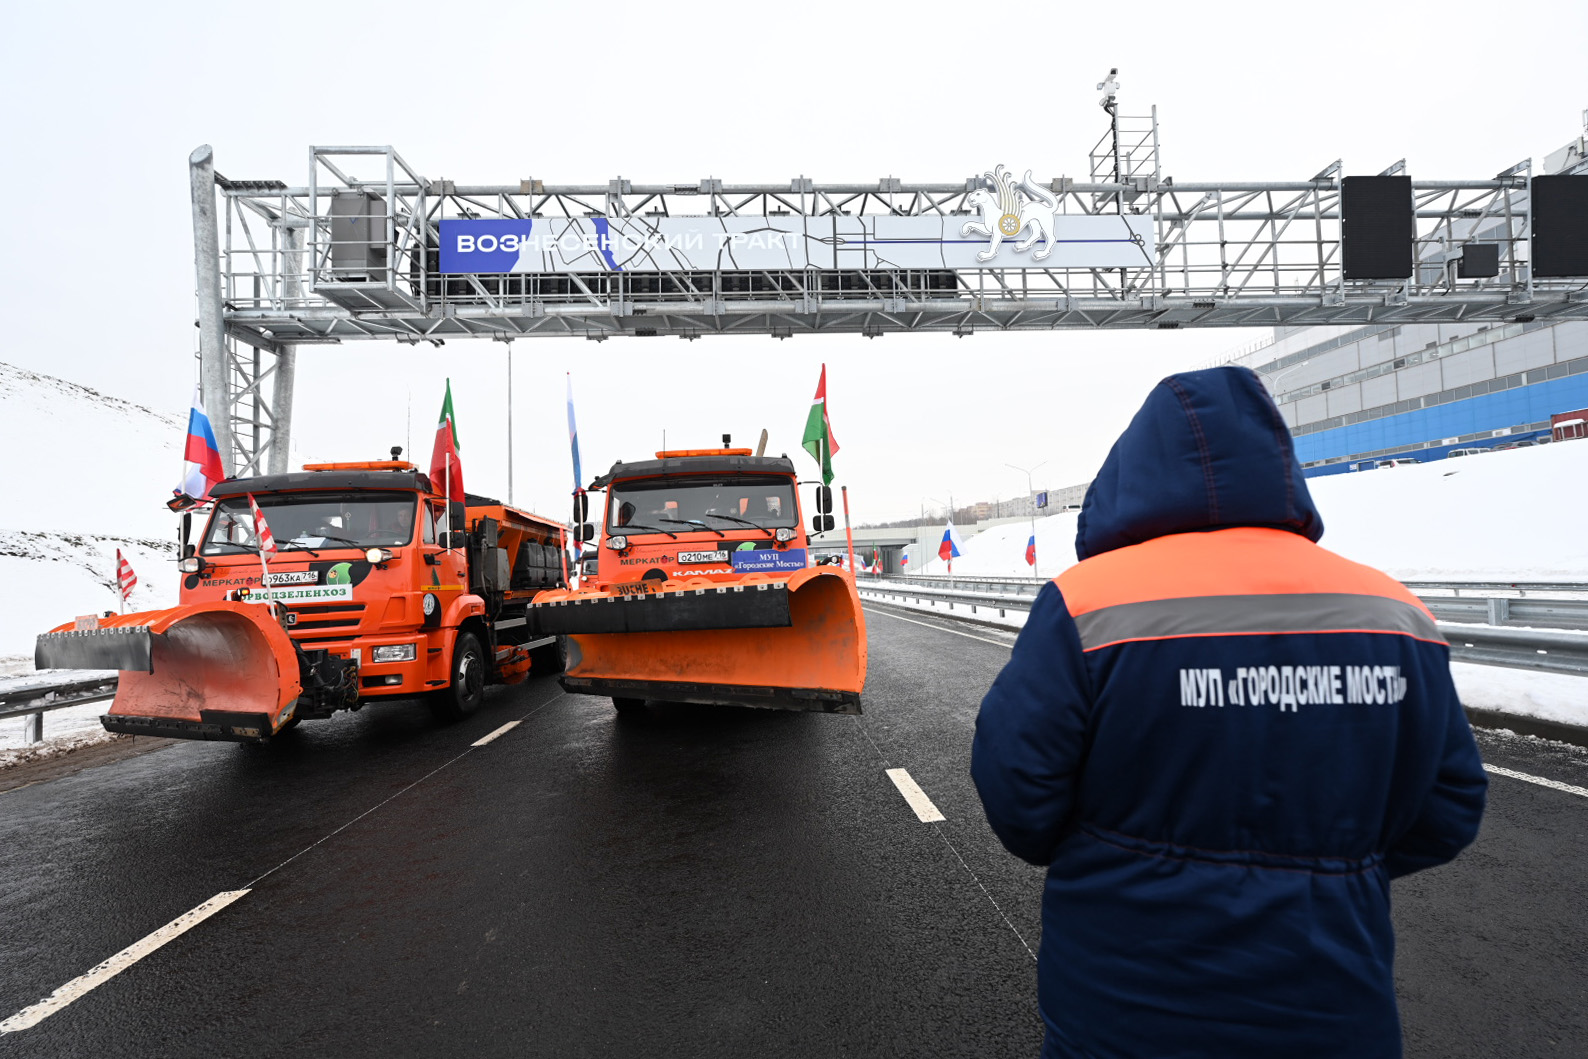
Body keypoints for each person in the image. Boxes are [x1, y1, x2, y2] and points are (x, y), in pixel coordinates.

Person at [971, 366, 1486, 1059]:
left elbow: (1017, 790)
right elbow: (1450, 802)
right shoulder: (1395, 612)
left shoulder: (1088, 604)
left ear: (1134, 470)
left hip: (1126, 1009)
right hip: (1333, 1008)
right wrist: (1335, 862)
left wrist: (1113, 852)